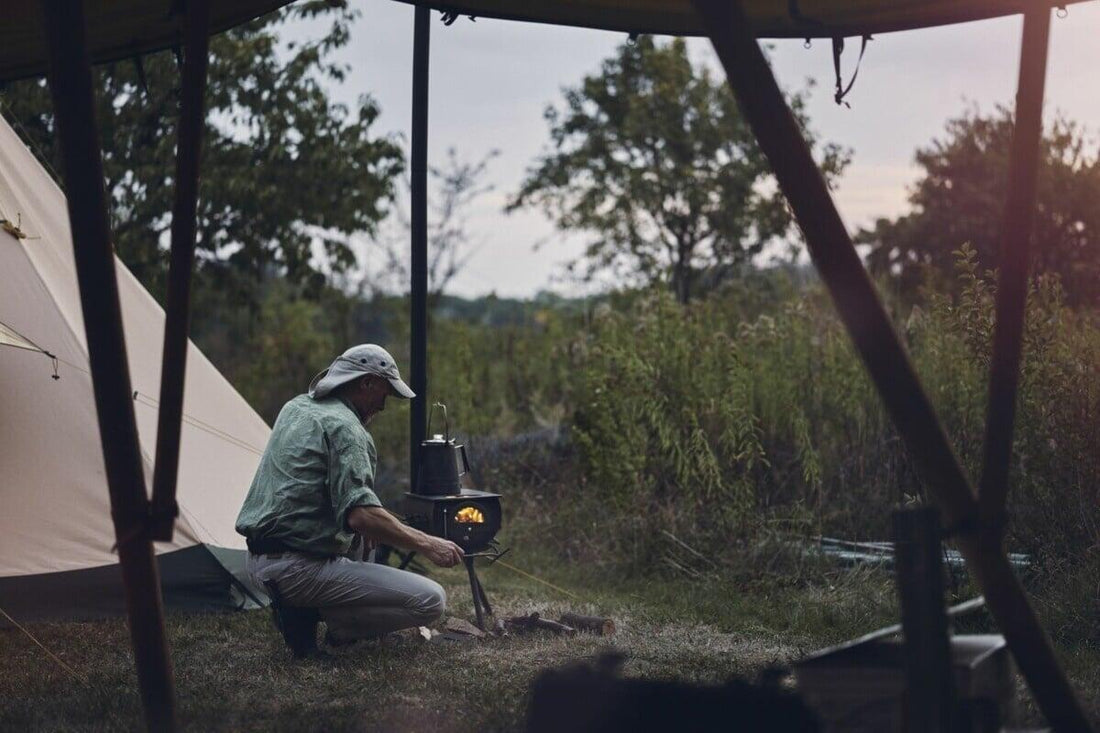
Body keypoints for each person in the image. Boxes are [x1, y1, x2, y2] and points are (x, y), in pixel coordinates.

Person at [235, 344, 465, 657]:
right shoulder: (347, 429)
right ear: (366, 383)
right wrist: (428, 544)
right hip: (297, 570)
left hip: (256, 562)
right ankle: (338, 626)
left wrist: (372, 519)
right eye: (385, 393)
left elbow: (318, 491)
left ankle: (301, 610)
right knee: (431, 600)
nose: (383, 406)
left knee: (371, 531)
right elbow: (361, 517)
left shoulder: (297, 407)